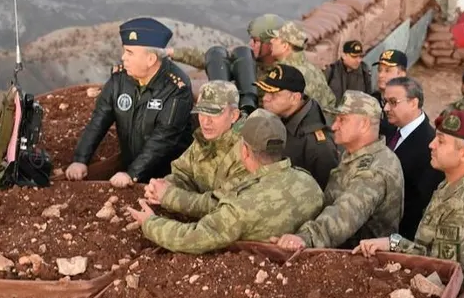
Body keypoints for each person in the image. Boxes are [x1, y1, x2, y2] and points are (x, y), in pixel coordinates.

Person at [127, 109, 324, 254]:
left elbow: (193, 238)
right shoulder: (310, 183)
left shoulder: (241, 206)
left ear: (244, 151)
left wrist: (150, 223)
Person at [354, 110, 464, 286]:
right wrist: (392, 243)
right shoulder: (455, 183)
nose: (431, 144)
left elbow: (443, 276)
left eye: (441, 141)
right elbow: (427, 251)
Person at [67, 17, 193, 187]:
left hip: (167, 177)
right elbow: (99, 120)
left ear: (150, 59)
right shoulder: (120, 80)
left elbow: (163, 140)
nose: (123, 57)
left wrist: (132, 174)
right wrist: (80, 159)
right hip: (131, 165)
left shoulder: (176, 88)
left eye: (130, 52)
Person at [273, 91, 404, 251]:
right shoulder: (354, 155)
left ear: (364, 124)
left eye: (342, 120)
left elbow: (344, 215)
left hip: (361, 263)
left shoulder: (377, 169)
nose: (334, 126)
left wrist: (305, 238)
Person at [143, 80, 248, 218]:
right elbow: (183, 174)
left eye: (214, 113)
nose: (205, 121)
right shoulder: (205, 139)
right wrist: (164, 185)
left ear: (234, 115)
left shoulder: (248, 149)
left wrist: (169, 195)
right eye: (201, 112)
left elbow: (223, 206)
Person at [258, 63, 339, 190]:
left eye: (274, 95)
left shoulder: (317, 144)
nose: (265, 98)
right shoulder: (281, 116)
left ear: (295, 98)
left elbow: (326, 190)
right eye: (266, 92)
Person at [382, 76, 444, 240]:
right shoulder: (389, 129)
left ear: (413, 103)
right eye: (385, 102)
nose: (386, 108)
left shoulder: (429, 145)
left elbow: (419, 204)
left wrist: (395, 242)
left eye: (393, 102)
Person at [166, 14, 283, 81]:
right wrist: (172, 52)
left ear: (271, 42)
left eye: (257, 41)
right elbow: (213, 60)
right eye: (251, 39)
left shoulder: (284, 72)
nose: (251, 44)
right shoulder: (247, 59)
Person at [269, 21, 336, 110]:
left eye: (276, 38)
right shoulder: (313, 69)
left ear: (285, 46)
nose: (271, 41)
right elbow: (330, 100)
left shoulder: (286, 74)